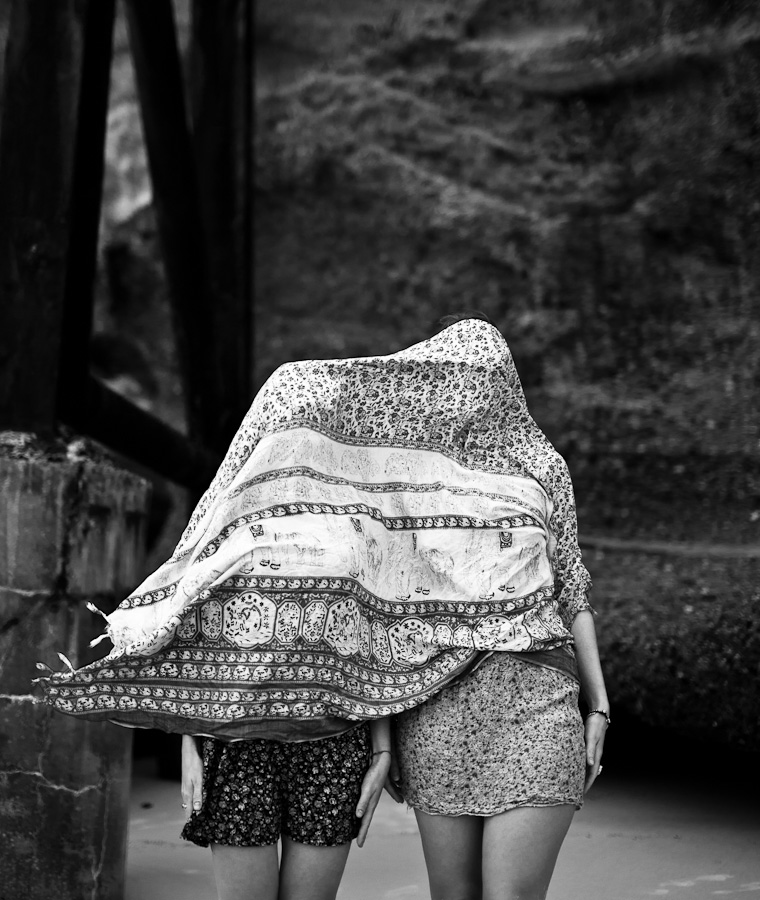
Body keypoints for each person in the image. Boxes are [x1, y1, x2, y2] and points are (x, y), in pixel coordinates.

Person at [38, 312, 605, 900]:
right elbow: (200, 616)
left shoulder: (398, 503)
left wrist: (381, 744)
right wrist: (191, 738)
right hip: (250, 739)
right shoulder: (270, 511)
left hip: (352, 738)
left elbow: (384, 624)